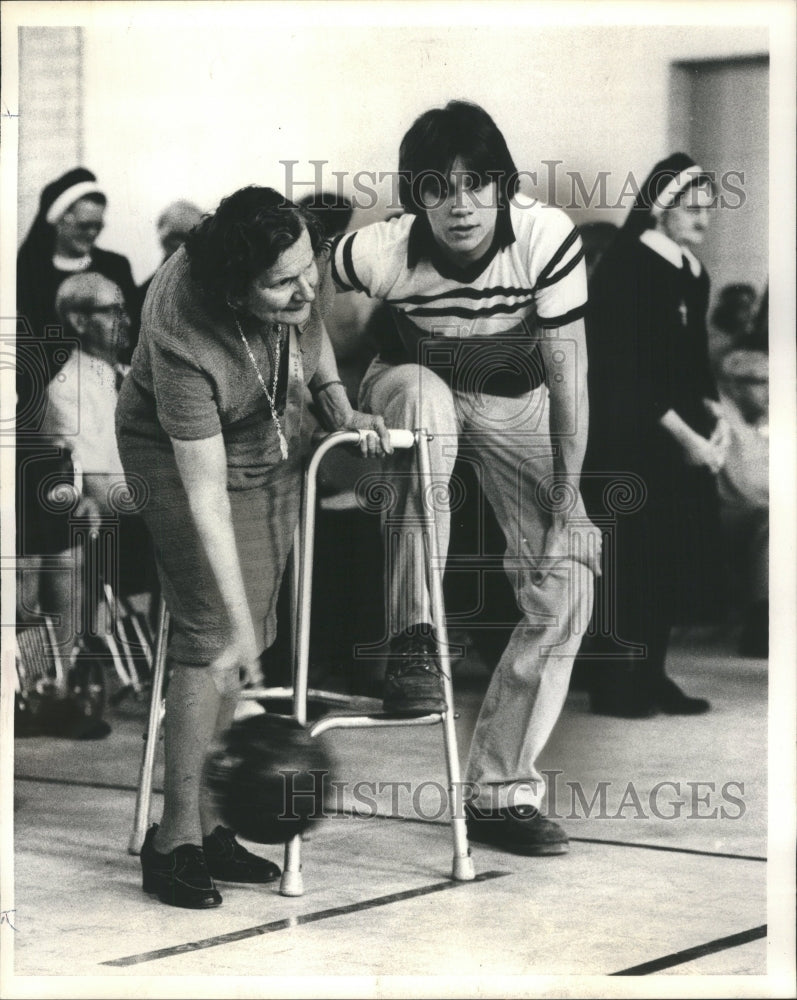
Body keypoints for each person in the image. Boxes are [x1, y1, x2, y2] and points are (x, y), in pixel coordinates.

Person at [330, 100, 601, 856]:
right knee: (426, 407)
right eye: (437, 188)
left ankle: (499, 790)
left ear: (502, 185)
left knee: (571, 571)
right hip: (412, 381)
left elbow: (567, 376)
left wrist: (566, 502)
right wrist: (323, 396)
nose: (460, 206)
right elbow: (292, 296)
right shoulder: (379, 250)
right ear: (414, 195)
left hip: (517, 397)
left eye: (477, 184)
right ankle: (415, 635)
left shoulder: (545, 236)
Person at [115, 186, 391, 909]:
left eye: (309, 269)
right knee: (212, 631)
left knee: (257, 627)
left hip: (268, 429)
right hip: (173, 454)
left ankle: (211, 827)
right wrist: (235, 631)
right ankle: (171, 839)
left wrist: (334, 398)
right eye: (280, 283)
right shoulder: (182, 328)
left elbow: (311, 327)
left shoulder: (290, 252)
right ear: (234, 291)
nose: (305, 287)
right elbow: (204, 496)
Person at [581, 152, 729, 718]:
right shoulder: (628, 266)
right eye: (692, 206)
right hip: (632, 439)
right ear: (662, 207)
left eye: (709, 208)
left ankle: (651, 674)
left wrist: (714, 425)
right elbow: (624, 373)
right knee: (632, 559)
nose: (703, 218)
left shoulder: (693, 272)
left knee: (668, 557)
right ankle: (616, 685)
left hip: (681, 436)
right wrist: (687, 439)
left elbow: (695, 364)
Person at [16, 168, 138, 412]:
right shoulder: (30, 270)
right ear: (60, 219)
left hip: (108, 386)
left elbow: (131, 330)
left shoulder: (115, 266)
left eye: (98, 226)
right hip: (48, 388)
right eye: (85, 226)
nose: (92, 233)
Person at [134, 200, 204, 329]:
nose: (182, 245)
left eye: (190, 237)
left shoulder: (212, 288)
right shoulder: (144, 293)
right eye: (176, 237)